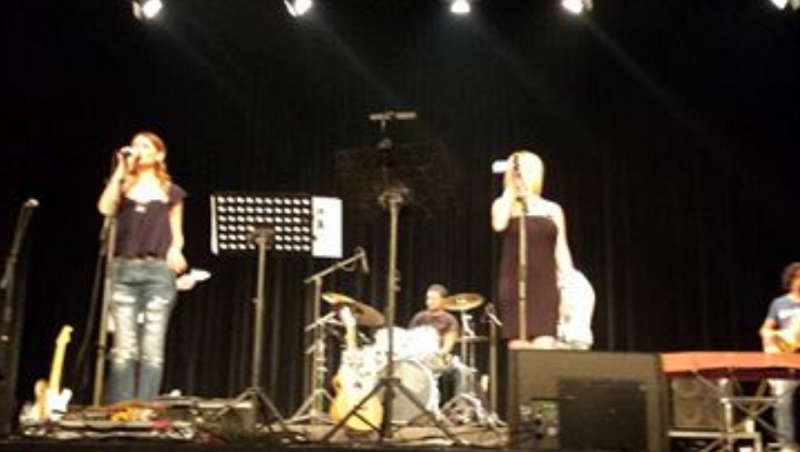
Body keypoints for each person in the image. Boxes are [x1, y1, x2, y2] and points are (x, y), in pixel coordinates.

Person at [97, 131, 188, 402]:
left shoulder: (171, 192)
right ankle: (122, 410)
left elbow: (177, 233)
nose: (138, 149)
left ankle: (145, 409)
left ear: (159, 155)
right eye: (135, 145)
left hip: (157, 272)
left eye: (145, 146)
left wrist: (175, 249)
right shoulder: (123, 186)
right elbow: (105, 209)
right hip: (123, 270)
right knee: (123, 348)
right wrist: (120, 170)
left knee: (152, 349)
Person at [491, 151, 574, 349]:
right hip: (514, 285)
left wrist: (569, 290)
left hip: (545, 287)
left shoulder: (552, 209)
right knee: (518, 348)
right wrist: (510, 189)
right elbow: (499, 224)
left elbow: (561, 250)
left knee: (544, 346)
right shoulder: (503, 205)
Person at [759, 262, 800, 450]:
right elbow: (765, 329)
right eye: (797, 277)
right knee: (782, 401)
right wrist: (770, 343)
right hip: (787, 360)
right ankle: (786, 445)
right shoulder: (779, 304)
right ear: (790, 280)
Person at [408, 284, 470, 399]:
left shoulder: (449, 319)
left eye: (433, 299)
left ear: (443, 301)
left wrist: (440, 354)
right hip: (419, 358)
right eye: (428, 298)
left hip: (440, 357)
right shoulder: (419, 318)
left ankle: (459, 404)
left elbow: (449, 341)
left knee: (462, 371)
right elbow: (410, 340)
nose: (429, 302)